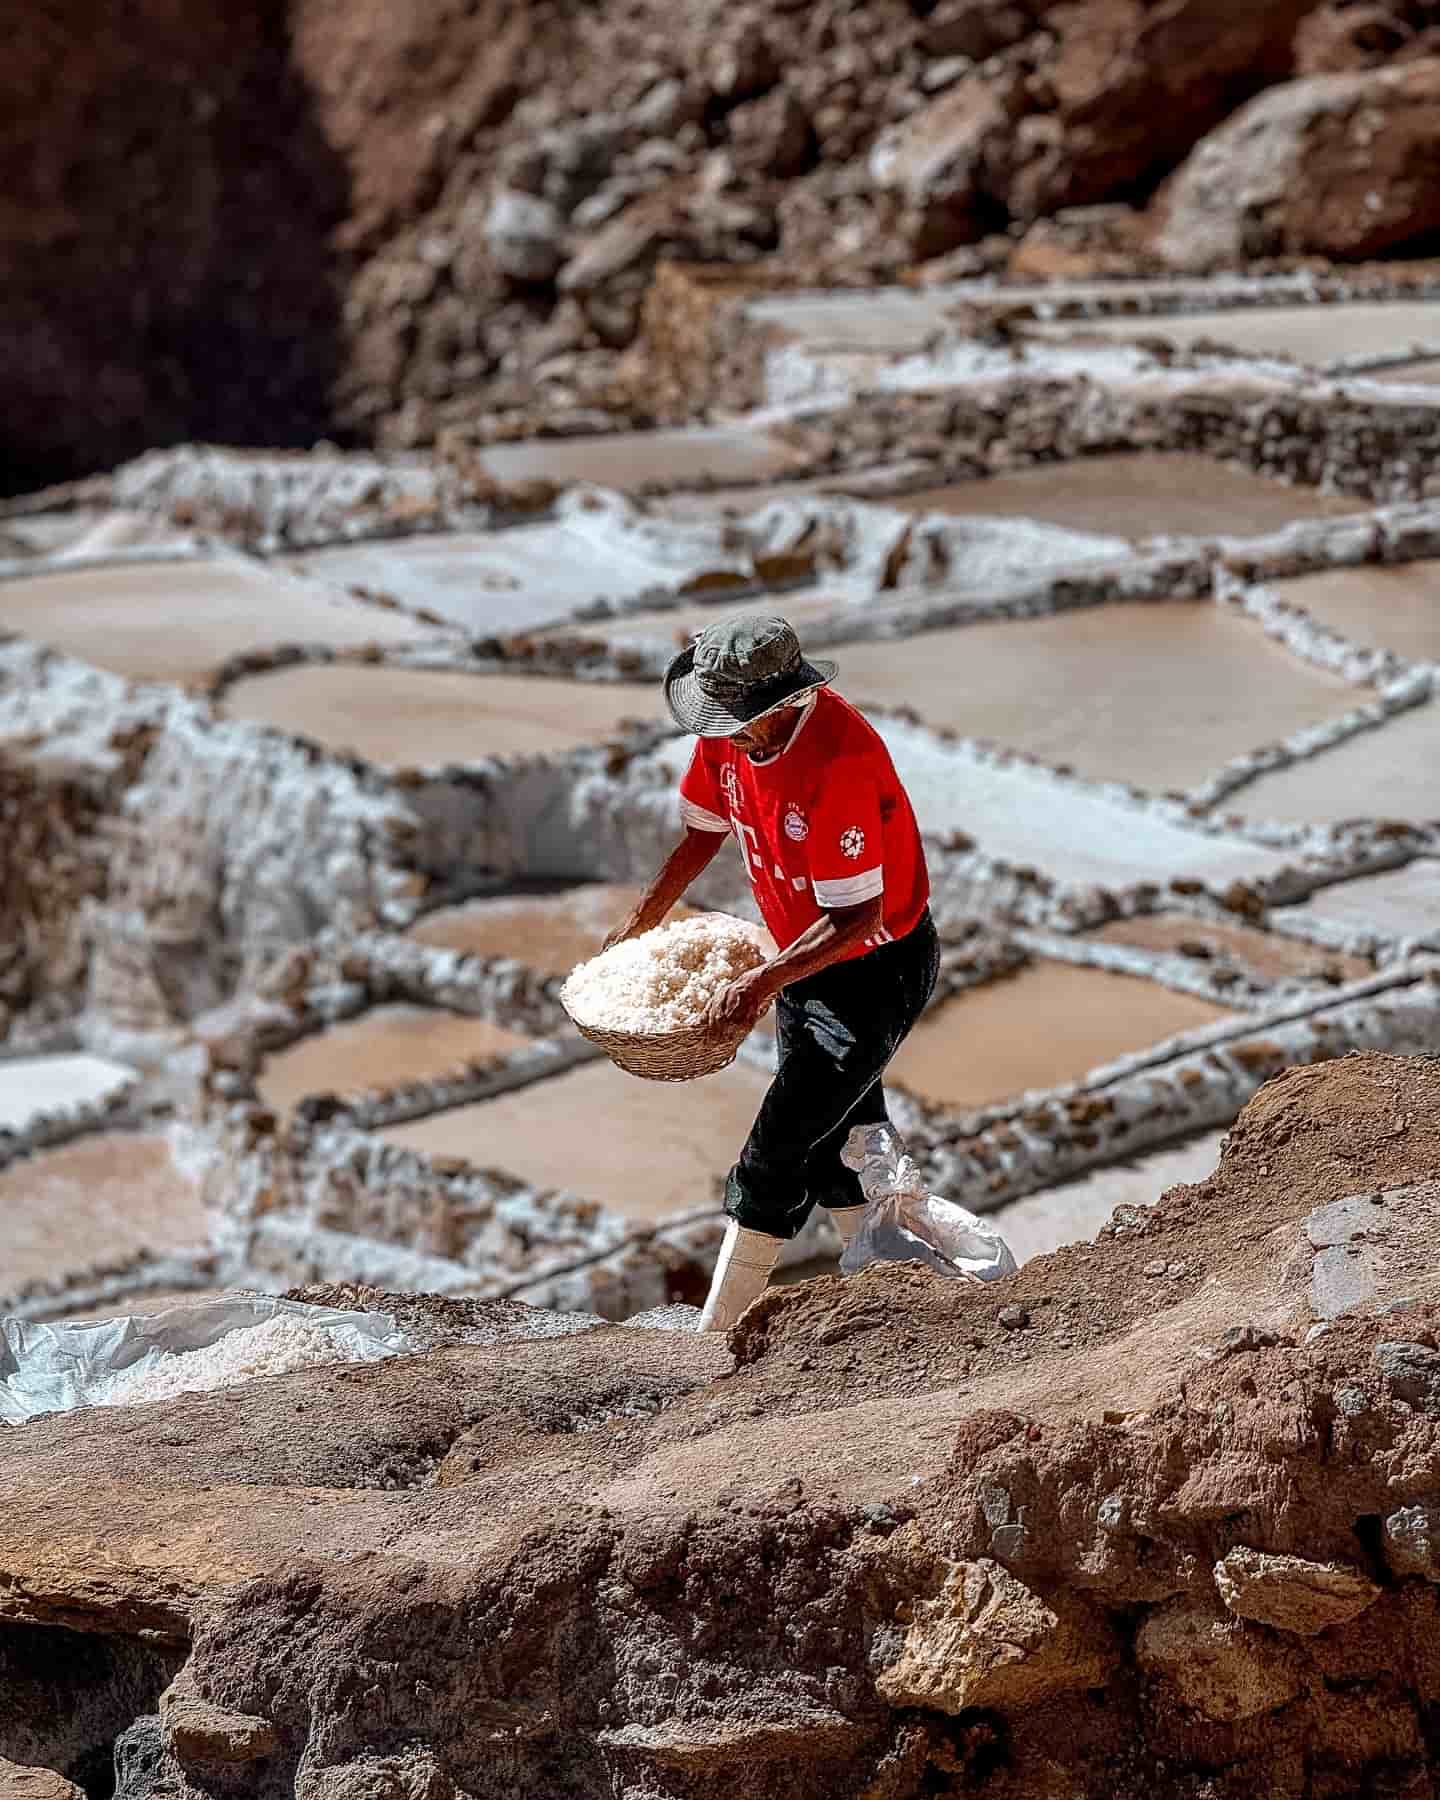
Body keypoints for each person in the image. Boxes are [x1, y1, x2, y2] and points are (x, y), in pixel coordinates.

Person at [604, 614, 939, 1331]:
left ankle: (712, 1336)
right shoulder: (729, 738)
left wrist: (761, 982)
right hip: (801, 962)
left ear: (783, 706)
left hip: (871, 969)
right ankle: (893, 1287)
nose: (720, 735)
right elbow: (703, 831)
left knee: (778, 1147)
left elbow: (855, 916)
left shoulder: (837, 762)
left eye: (735, 723)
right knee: (834, 1141)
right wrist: (645, 917)